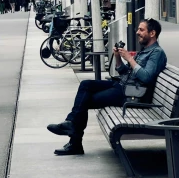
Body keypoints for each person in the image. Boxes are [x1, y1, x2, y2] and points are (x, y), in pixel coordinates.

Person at [47, 18, 167, 156]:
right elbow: (123, 72)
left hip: (131, 94)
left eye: (141, 29)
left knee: (84, 101)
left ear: (152, 33)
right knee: (85, 85)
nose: (137, 32)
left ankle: (74, 138)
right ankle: (72, 127)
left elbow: (146, 77)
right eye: (138, 29)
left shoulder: (157, 53)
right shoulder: (145, 51)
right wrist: (117, 57)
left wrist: (130, 59)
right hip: (123, 86)